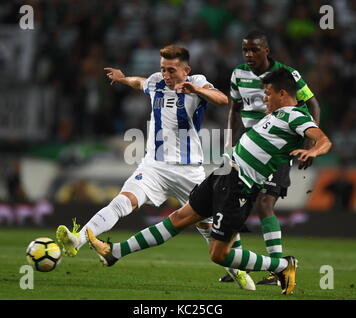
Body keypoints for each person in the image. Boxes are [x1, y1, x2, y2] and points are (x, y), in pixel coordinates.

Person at [85, 68, 332, 295]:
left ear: (282, 93)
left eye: (267, 94)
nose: (263, 99)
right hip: (223, 173)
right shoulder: (277, 115)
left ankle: (282, 265)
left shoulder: (296, 116)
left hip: (240, 185)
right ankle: (114, 252)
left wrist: (313, 150)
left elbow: (324, 140)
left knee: (219, 254)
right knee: (179, 218)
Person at [56, 45, 255, 289]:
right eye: (163, 69)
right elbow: (140, 82)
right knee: (122, 202)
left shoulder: (197, 82)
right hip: (154, 166)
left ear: (186, 70)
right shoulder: (155, 82)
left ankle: (236, 269)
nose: (166, 75)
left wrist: (197, 90)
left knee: (209, 227)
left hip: (189, 170)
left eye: (171, 70)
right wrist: (122, 78)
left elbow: (223, 99)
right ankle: (78, 240)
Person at [221, 30, 321, 285]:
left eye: (254, 49)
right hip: (247, 146)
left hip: (276, 146)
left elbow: (313, 104)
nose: (249, 54)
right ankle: (236, 262)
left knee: (264, 203)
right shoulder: (238, 74)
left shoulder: (287, 74)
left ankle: (278, 270)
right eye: (245, 50)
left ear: (266, 50)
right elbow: (234, 110)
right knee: (233, 201)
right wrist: (229, 146)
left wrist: (309, 142)